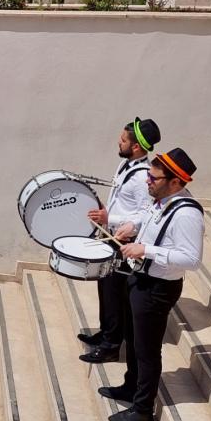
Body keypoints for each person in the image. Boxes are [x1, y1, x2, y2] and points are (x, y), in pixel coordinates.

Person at [98, 148, 204, 421]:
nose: (148, 182)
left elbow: (191, 259)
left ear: (176, 183)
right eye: (149, 176)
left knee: (147, 349)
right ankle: (130, 386)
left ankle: (143, 407)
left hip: (159, 288)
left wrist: (146, 250)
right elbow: (146, 217)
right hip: (141, 280)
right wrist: (130, 227)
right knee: (132, 340)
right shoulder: (160, 200)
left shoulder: (186, 215)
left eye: (154, 179)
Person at [79, 118, 162, 365]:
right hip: (112, 235)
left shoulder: (142, 177)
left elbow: (144, 213)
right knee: (105, 287)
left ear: (136, 147)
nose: (119, 141)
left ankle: (111, 346)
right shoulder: (124, 165)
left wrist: (111, 217)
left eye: (124, 140)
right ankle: (106, 333)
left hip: (126, 240)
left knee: (115, 293)